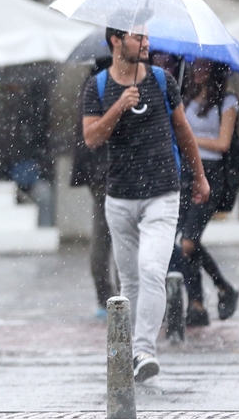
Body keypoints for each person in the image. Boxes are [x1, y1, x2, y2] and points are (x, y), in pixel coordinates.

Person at [82, 24, 208, 382]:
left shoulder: (162, 80)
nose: (147, 43)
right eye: (138, 37)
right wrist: (119, 107)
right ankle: (133, 353)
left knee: (152, 269)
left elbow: (183, 130)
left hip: (162, 193)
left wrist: (199, 176)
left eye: (148, 37)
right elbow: (91, 138)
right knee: (129, 281)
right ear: (116, 42)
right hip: (120, 196)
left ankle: (144, 351)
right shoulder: (99, 86)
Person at [171, 59, 239, 326]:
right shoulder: (185, 97)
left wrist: (187, 136)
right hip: (186, 173)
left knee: (188, 242)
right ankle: (197, 304)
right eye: (195, 66)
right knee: (184, 242)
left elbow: (223, 143)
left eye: (204, 67)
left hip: (210, 175)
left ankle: (223, 288)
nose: (197, 71)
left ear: (216, 70)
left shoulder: (228, 101)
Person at [71, 57, 117, 317]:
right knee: (119, 238)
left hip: (96, 172)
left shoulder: (89, 86)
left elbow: (82, 135)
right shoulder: (109, 87)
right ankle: (117, 297)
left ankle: (104, 298)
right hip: (113, 172)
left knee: (102, 236)